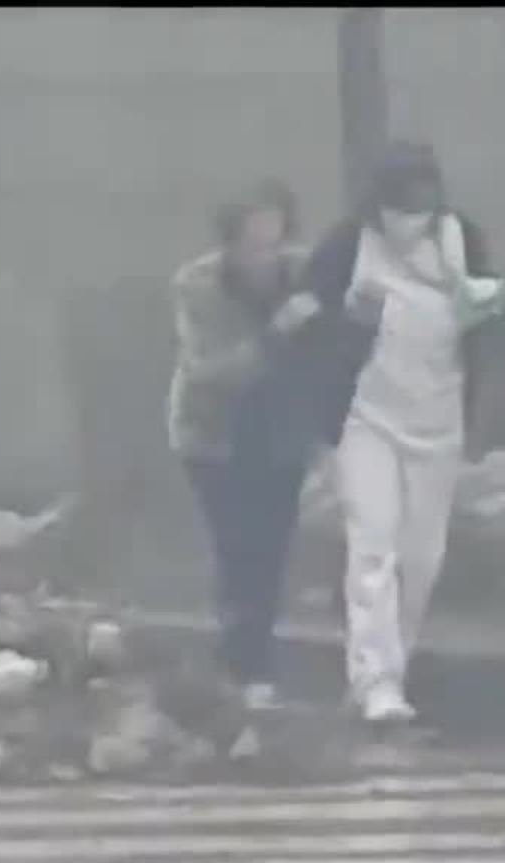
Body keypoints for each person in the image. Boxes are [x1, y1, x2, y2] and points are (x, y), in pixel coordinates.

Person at [304, 141, 505, 726]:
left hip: (437, 419)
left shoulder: (461, 241)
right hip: (366, 418)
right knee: (373, 544)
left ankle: (397, 659)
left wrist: (486, 311)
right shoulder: (349, 245)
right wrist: (346, 323)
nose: (408, 218)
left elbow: (489, 324)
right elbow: (310, 322)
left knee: (422, 556)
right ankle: (376, 680)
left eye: (421, 202)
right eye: (399, 204)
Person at [168, 181, 329, 711]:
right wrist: (276, 335)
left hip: (280, 433)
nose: (266, 257)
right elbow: (210, 370)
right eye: (254, 245)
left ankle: (253, 664)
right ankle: (243, 668)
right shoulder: (198, 286)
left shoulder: (306, 275)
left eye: (274, 242)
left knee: (272, 548)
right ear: (230, 245)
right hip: (214, 434)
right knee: (236, 547)